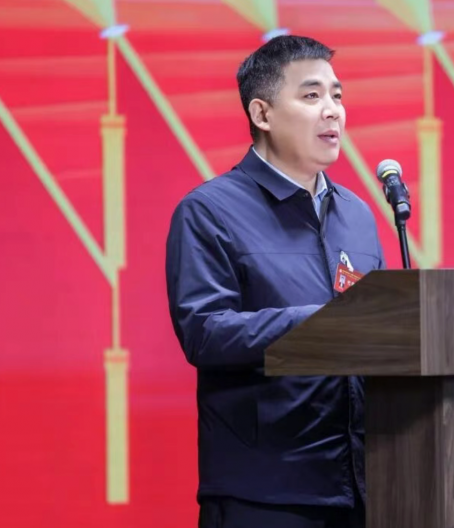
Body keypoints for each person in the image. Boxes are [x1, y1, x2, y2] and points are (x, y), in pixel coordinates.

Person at [165, 35, 385, 528]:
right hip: (265, 493)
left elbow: (379, 333)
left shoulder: (358, 215)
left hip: (361, 487)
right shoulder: (209, 211)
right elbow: (205, 332)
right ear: (262, 113)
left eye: (337, 95)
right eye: (312, 95)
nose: (332, 110)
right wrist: (322, 324)